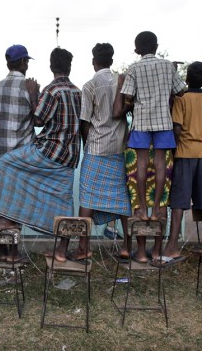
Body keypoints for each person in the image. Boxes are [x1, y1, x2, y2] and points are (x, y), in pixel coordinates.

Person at [0, 48, 81, 263]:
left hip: (49, 151)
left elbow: (39, 121)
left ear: (51, 66)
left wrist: (33, 95)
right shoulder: (77, 91)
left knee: (5, 165)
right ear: (69, 66)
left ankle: (5, 220)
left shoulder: (51, 91)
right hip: (70, 156)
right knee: (63, 199)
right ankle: (61, 250)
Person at [114, 31, 186, 263]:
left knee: (142, 164)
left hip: (142, 121)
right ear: (157, 45)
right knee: (161, 165)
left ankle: (143, 208)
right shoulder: (167, 66)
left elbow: (127, 97)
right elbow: (181, 90)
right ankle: (156, 209)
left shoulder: (134, 68)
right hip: (163, 121)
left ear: (136, 49)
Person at [75, 43, 132, 262]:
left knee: (87, 199)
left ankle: (84, 247)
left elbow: (85, 121)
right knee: (122, 199)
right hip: (119, 148)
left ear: (93, 60)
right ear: (112, 59)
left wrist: (87, 145)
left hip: (97, 148)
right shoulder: (123, 81)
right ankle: (127, 247)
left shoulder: (90, 85)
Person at [162, 62, 202, 264]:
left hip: (184, 153)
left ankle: (172, 246)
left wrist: (175, 147)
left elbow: (177, 129)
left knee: (179, 202)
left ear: (186, 78)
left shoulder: (182, 99)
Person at [0, 44, 39, 262]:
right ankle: (14, 253)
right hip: (21, 154)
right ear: (21, 62)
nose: (27, 64)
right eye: (26, 61)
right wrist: (34, 94)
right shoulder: (28, 87)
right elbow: (38, 119)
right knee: (17, 202)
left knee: (1, 199)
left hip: (1, 153)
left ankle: (2, 252)